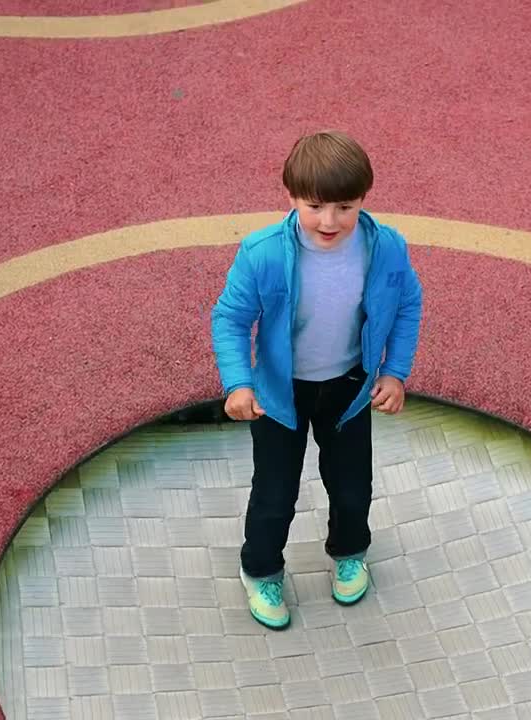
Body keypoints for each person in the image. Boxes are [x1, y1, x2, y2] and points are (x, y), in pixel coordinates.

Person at [210, 130, 424, 630]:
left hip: (349, 387)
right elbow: (230, 318)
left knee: (352, 486)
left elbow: (408, 305)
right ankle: (261, 570)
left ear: (364, 199)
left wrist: (395, 372)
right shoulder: (262, 252)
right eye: (315, 207)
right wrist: (238, 383)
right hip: (279, 394)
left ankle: (349, 552)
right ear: (290, 197)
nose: (330, 221)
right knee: (274, 493)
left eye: (345, 207)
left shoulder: (386, 248)